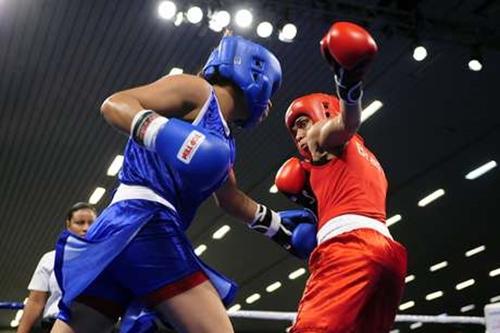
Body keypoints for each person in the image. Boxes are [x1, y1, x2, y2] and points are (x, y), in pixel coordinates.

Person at [51, 34, 317, 333]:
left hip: (115, 233)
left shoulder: (222, 144)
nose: (268, 105)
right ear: (256, 76)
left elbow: (230, 199)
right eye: (272, 91)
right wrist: (165, 135)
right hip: (147, 224)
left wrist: (277, 227)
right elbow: (115, 104)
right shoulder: (198, 91)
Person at [274, 22, 408, 333]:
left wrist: (349, 82)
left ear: (322, 115)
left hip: (350, 249)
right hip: (388, 257)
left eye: (303, 123)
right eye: (294, 130)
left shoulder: (325, 137)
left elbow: (348, 122)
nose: (299, 134)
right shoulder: (367, 159)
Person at [17, 203, 96, 333]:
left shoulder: (108, 258)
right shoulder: (50, 259)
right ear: (68, 224)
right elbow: (36, 301)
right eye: (80, 222)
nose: (86, 228)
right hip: (54, 325)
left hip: (95, 326)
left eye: (91, 223)